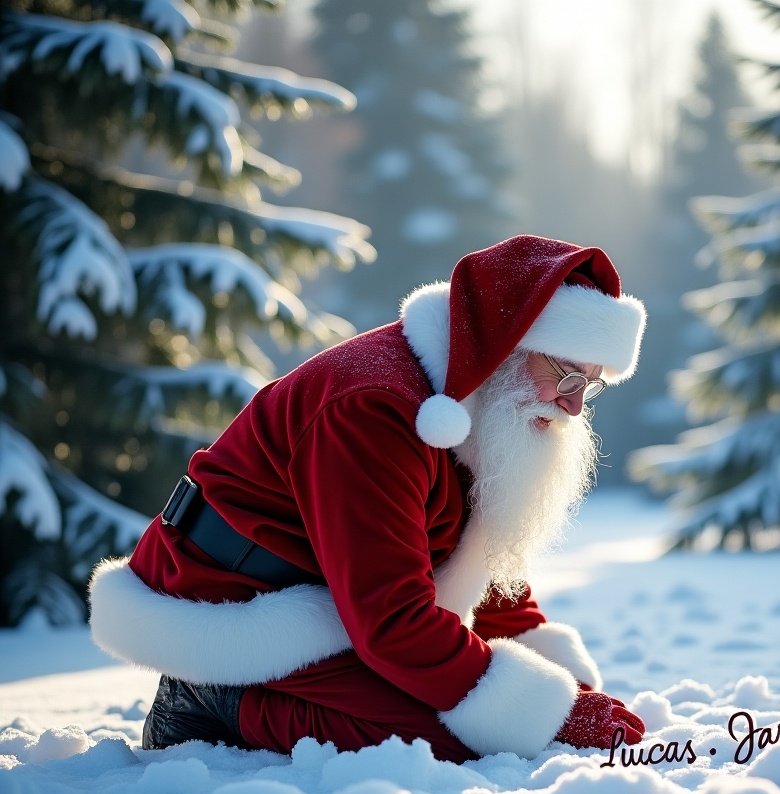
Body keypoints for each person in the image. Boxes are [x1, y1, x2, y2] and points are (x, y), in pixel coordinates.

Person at [89, 234, 648, 762]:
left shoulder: (474, 408)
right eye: (565, 376)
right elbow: (392, 621)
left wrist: (543, 666)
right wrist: (546, 713)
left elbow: (479, 552)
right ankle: (213, 697)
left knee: (486, 713)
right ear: (503, 348)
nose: (573, 407)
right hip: (232, 605)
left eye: (589, 385)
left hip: (336, 595)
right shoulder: (376, 408)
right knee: (453, 738)